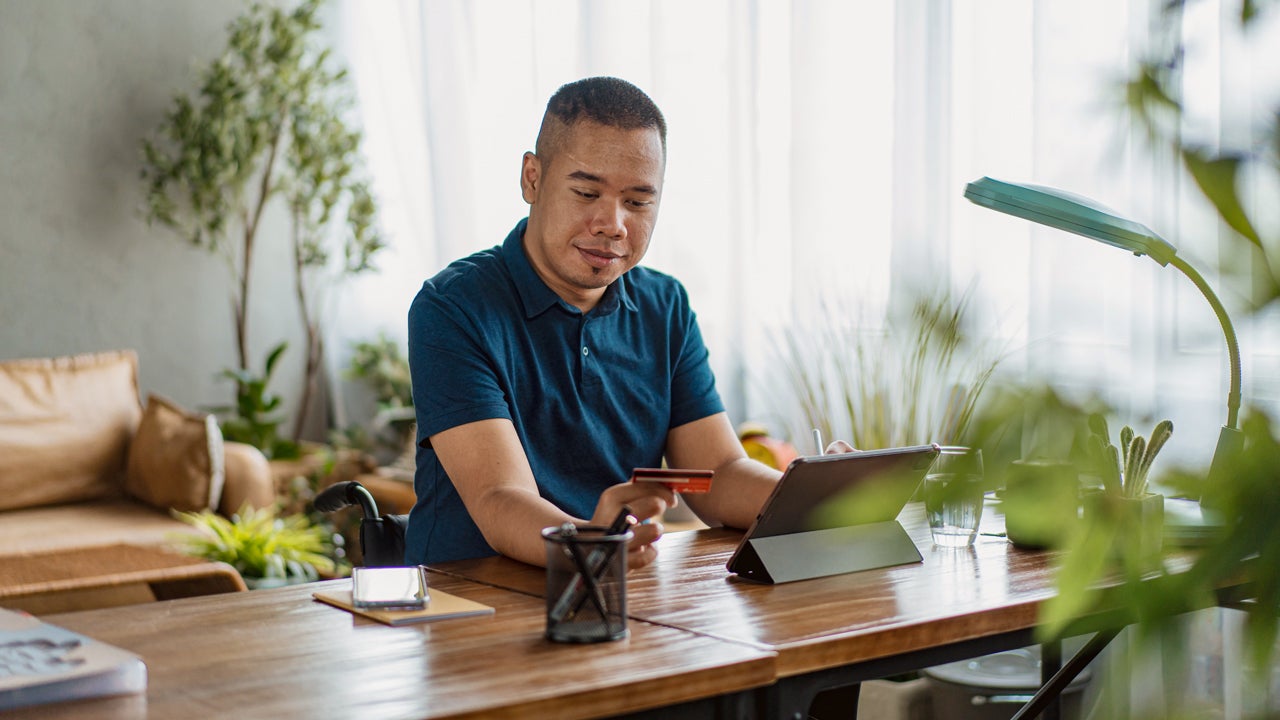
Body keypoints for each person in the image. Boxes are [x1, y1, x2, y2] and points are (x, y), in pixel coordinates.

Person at [405, 76, 839, 570]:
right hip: (474, 600)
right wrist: (592, 543)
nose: (613, 224)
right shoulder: (454, 307)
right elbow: (498, 497)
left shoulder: (665, 305)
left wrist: (826, 501)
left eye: (637, 202)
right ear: (532, 178)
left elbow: (717, 474)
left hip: (620, 593)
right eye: (587, 192)